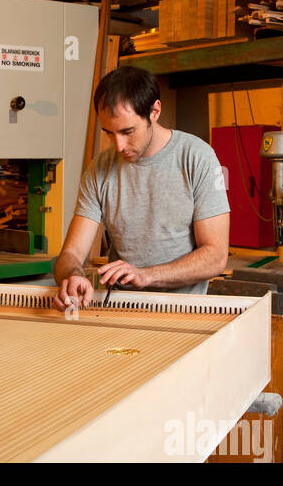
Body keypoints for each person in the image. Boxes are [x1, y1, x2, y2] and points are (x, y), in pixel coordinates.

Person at [53, 66, 231, 311]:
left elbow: (216, 256)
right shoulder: (100, 168)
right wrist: (72, 276)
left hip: (183, 313)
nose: (118, 145)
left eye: (127, 132)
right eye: (109, 133)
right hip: (119, 310)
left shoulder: (198, 158)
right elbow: (71, 253)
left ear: (154, 111)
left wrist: (146, 275)